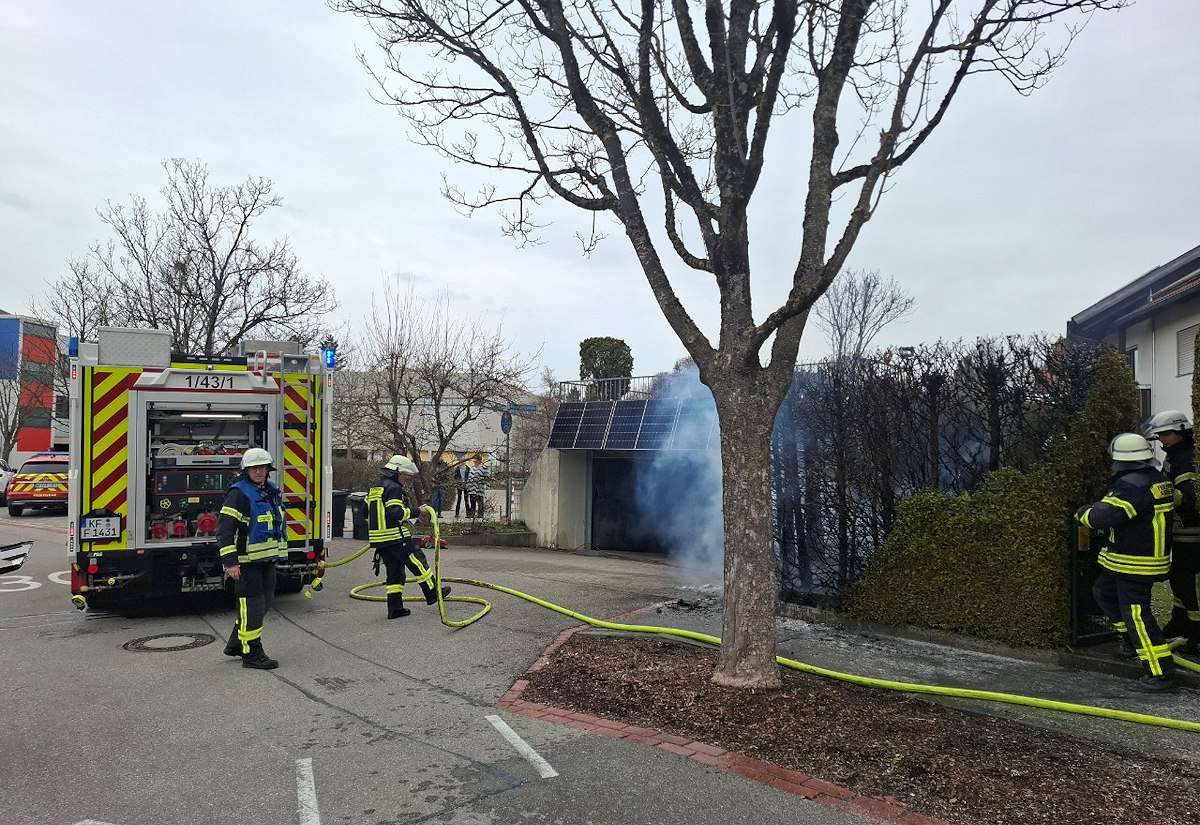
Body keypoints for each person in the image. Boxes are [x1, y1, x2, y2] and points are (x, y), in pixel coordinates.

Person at [1075, 432, 1176, 692]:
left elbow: (1104, 516)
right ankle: (1131, 642)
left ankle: (1160, 672)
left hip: (1134, 562)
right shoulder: (1156, 479)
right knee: (1103, 592)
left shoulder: (1131, 485)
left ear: (1120, 459)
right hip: (1132, 558)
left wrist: (1082, 513)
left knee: (1137, 615)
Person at [218, 448, 287, 670]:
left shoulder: (270, 490)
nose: (259, 471)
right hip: (246, 562)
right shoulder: (238, 494)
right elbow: (225, 530)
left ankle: (236, 643)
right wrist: (230, 562)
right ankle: (252, 653)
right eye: (254, 468)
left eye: (262, 467)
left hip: (266, 560)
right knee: (253, 607)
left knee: (265, 602)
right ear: (246, 470)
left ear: (268, 469)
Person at [367, 454, 449, 619]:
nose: (406, 479)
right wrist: (418, 511)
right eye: (405, 475)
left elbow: (365, 511)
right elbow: (396, 513)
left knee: (395, 572)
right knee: (418, 562)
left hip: (380, 540)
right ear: (397, 472)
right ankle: (432, 593)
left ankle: (395, 609)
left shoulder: (377, 488)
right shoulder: (394, 488)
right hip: (395, 537)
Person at [1144, 410, 1200, 652]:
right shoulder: (1173, 456)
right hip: (1177, 533)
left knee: (1189, 584)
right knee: (1177, 579)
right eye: (1159, 435)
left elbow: (1189, 498)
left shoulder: (1188, 458)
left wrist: (1158, 492)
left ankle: (1196, 633)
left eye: (1165, 434)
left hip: (1192, 534)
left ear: (1180, 432)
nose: (1161, 439)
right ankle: (1180, 622)